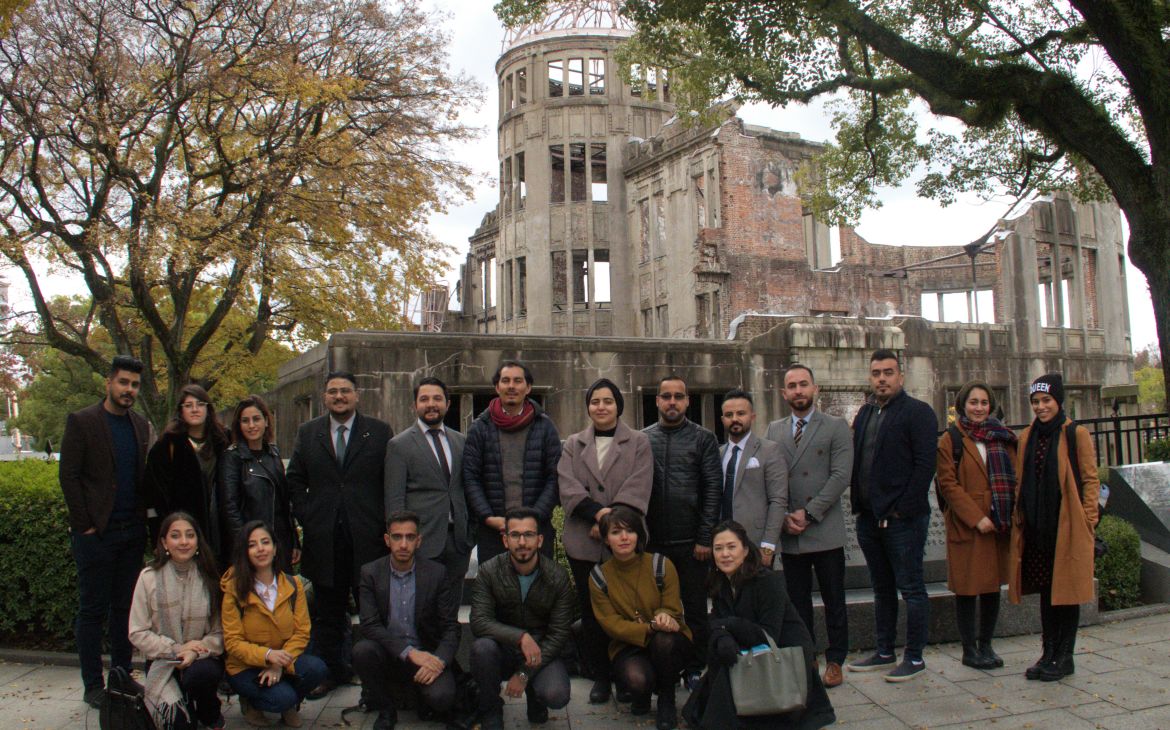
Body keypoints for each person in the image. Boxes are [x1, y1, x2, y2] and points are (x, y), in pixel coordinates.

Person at [287, 371, 393, 698]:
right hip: (325, 540)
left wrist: (386, 524)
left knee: (373, 612)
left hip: (368, 538)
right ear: (324, 397)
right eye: (332, 391)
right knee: (329, 613)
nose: (339, 397)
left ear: (356, 395)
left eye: (345, 391)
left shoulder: (378, 432)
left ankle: (378, 680)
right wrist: (310, 515)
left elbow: (389, 482)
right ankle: (332, 672)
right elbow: (294, 480)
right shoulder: (308, 433)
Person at [59, 354, 153, 707]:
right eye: (124, 383)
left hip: (131, 534)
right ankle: (92, 685)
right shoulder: (83, 422)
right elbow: (69, 475)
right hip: (96, 536)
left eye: (134, 385)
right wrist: (84, 526)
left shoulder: (140, 425)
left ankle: (121, 677)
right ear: (109, 383)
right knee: (92, 611)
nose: (129, 390)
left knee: (124, 610)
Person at [681, 520, 835, 730]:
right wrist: (724, 634)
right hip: (747, 645)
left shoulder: (766, 581)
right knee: (722, 651)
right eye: (718, 548)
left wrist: (728, 626)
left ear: (745, 551)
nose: (725, 554)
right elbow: (716, 624)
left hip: (782, 653)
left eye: (731, 547)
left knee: (728, 660)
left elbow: (768, 632)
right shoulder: (721, 582)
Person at [558, 378, 653, 703]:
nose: (601, 407)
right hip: (584, 540)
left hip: (624, 542)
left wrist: (612, 524)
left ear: (618, 406)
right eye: (595, 401)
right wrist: (599, 517)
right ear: (588, 407)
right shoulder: (573, 444)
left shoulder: (639, 442)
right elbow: (568, 486)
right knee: (592, 612)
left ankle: (625, 675)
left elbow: (638, 486)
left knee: (626, 610)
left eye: (608, 401)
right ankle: (600, 675)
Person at [847, 349, 937, 682]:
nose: (881, 378)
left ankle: (914, 657)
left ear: (901, 376)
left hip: (903, 520)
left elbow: (925, 466)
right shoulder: (867, 413)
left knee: (911, 588)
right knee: (881, 588)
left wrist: (901, 509)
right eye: (876, 373)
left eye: (888, 372)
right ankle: (884, 651)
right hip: (869, 518)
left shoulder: (918, 412)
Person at [766, 363, 854, 689]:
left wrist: (809, 512)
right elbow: (771, 477)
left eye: (804, 384)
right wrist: (786, 515)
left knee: (834, 600)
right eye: (792, 386)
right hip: (791, 533)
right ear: (784, 393)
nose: (799, 390)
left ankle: (835, 659)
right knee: (798, 601)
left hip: (824, 529)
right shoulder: (774, 431)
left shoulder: (835, 426)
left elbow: (841, 475)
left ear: (815, 389)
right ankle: (806, 656)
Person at [1009, 373, 1099, 681]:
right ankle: (1048, 653)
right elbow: (1021, 480)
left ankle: (1065, 656)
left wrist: (1088, 519)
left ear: (1058, 401)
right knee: (1047, 593)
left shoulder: (1076, 433)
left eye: (1046, 400)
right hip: (1036, 528)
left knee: (1067, 593)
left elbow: (1090, 479)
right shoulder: (1027, 437)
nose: (1040, 407)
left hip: (1067, 527)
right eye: (1035, 401)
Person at [642, 375, 722, 685]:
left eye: (678, 396)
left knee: (695, 611)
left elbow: (713, 488)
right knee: (655, 609)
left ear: (687, 401)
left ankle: (693, 667)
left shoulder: (703, 439)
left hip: (692, 543)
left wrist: (705, 537)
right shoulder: (643, 439)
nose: (672, 402)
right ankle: (662, 668)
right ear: (657, 400)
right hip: (653, 543)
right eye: (666, 396)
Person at [353, 511, 460, 730]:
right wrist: (409, 652)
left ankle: (419, 697)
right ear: (387, 540)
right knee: (362, 651)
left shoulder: (436, 573)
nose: (403, 544)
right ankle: (386, 710)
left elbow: (451, 627)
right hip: (389, 654)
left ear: (418, 541)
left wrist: (438, 661)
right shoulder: (371, 573)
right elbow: (370, 624)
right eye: (397, 537)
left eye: (410, 537)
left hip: (426, 653)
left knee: (442, 698)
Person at [936, 380, 1017, 670]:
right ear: (962, 405)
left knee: (992, 587)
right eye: (973, 402)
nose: (979, 408)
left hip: (999, 523)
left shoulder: (1002, 437)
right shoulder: (952, 439)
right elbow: (948, 484)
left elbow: (1015, 476)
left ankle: (987, 644)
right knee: (968, 589)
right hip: (967, 525)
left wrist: (1004, 513)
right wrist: (976, 517)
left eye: (984, 402)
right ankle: (969, 649)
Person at [469, 507, 573, 730]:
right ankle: (490, 709)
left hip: (540, 649)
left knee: (557, 695)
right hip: (502, 647)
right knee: (482, 649)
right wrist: (520, 637)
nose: (522, 542)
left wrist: (525, 673)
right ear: (505, 540)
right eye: (515, 535)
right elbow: (479, 621)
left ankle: (536, 697)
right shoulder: (488, 571)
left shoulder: (557, 576)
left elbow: (559, 634)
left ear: (540, 540)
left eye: (529, 535)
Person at [589, 505, 692, 730]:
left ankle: (667, 699)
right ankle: (642, 694)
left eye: (630, 531)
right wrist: (649, 627)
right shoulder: (599, 576)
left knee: (663, 641)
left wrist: (663, 618)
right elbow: (611, 623)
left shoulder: (661, 564)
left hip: (668, 639)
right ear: (606, 539)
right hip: (627, 644)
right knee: (637, 680)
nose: (624, 537)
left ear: (639, 534)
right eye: (616, 532)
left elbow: (672, 607)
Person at [221, 521, 328, 728]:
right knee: (281, 698)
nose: (260, 549)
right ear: (245, 552)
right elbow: (233, 642)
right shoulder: (234, 589)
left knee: (317, 668)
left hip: (283, 660)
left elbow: (302, 632)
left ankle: (289, 701)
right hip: (246, 667)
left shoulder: (292, 585)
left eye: (265, 542)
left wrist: (278, 664)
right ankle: (252, 702)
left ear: (275, 547)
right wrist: (267, 656)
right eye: (252, 545)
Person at [385, 376, 472, 618]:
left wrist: (469, 534)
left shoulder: (461, 441)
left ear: (447, 403)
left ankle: (448, 655)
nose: (431, 404)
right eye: (424, 399)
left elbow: (467, 488)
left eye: (437, 398)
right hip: (421, 542)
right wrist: (402, 541)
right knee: (421, 610)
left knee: (450, 611)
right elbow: (394, 499)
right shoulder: (399, 445)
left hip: (458, 542)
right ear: (415, 405)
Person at [129, 512, 225, 730]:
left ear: (197, 541)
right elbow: (137, 632)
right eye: (175, 536)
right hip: (163, 660)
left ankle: (208, 711)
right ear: (164, 542)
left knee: (202, 675)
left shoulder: (209, 577)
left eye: (190, 535)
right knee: (179, 723)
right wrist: (176, 649)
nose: (183, 542)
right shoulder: (148, 577)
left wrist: (195, 651)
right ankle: (185, 710)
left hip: (201, 659)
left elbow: (220, 633)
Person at [463, 360, 562, 564]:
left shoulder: (545, 427)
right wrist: (488, 517)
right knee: (495, 591)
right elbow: (470, 477)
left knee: (537, 591)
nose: (511, 386)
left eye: (518, 381)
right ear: (497, 387)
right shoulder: (480, 428)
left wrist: (533, 518)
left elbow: (555, 477)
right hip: (493, 530)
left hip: (536, 529)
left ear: (528, 387)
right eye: (505, 380)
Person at [145, 384, 230, 561]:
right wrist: (159, 538)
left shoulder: (224, 439)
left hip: (221, 529)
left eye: (200, 404)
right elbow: (153, 495)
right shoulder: (167, 444)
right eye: (188, 405)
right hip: (183, 532)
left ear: (208, 408)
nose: (195, 409)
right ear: (180, 410)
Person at [220, 395, 300, 572]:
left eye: (256, 419)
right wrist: (245, 544)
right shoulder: (232, 458)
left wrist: (294, 540)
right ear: (238, 425)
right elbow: (230, 508)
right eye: (245, 421)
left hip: (280, 543)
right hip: (253, 546)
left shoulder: (273, 453)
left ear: (266, 421)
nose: (251, 425)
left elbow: (284, 503)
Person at [718, 388, 786, 562]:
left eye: (741, 413)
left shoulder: (769, 450)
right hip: (723, 545)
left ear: (752, 416)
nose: (735, 419)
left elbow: (778, 500)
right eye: (729, 414)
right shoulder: (717, 454)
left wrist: (768, 545)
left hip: (756, 543)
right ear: (722, 419)